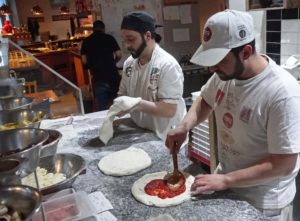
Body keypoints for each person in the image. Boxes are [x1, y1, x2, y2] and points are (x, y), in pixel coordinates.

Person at [165, 9, 300, 221]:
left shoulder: (281, 93)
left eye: (218, 60)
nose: (211, 68)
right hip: (227, 183)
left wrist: (227, 180)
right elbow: (205, 100)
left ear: (245, 52)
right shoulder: (225, 75)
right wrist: (184, 126)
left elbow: (284, 163)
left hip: (263, 202)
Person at [118, 11, 186, 140]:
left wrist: (135, 104)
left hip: (167, 136)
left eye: (131, 39)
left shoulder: (166, 65)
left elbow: (169, 109)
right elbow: (123, 94)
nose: (126, 45)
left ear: (148, 36)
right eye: (124, 40)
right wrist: (119, 106)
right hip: (141, 132)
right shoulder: (129, 64)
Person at [81, 20, 122, 111]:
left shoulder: (86, 41)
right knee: (118, 103)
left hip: (98, 76)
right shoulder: (109, 38)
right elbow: (119, 54)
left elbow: (84, 60)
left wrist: (90, 66)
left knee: (102, 106)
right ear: (103, 28)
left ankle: (105, 123)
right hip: (112, 75)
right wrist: (114, 62)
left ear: (93, 29)